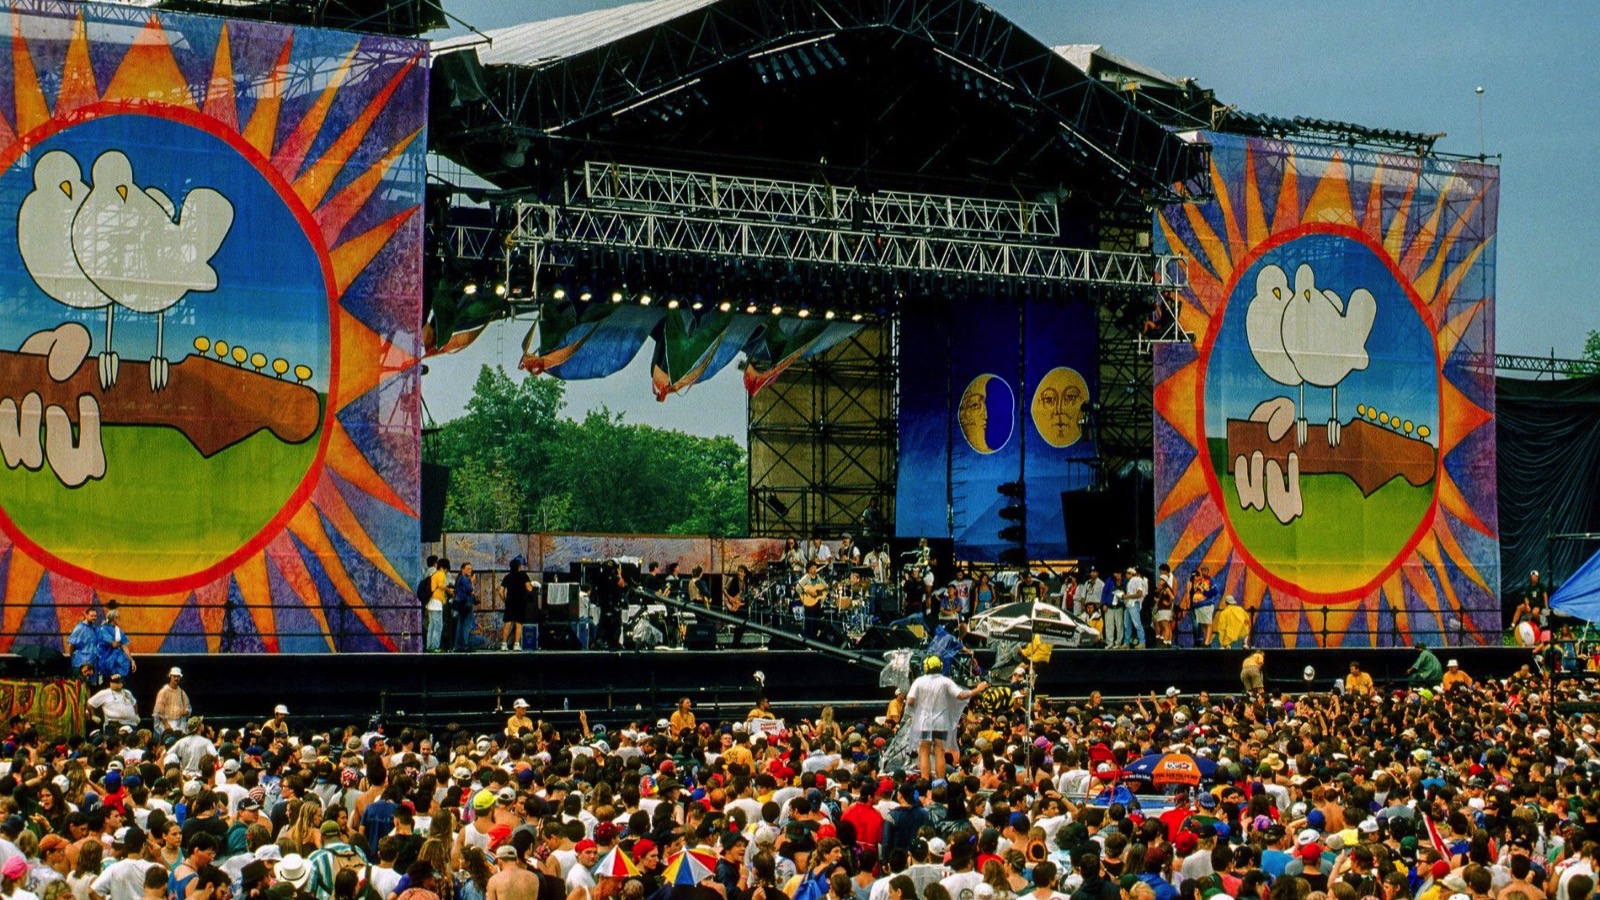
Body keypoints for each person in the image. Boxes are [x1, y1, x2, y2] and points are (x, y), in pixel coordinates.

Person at [904, 656, 987, 781]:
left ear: (925, 667)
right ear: (940, 667)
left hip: (924, 722)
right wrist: (978, 689)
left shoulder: (919, 681)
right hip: (941, 723)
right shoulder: (945, 681)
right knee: (940, 751)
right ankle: (940, 781)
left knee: (924, 750)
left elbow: (910, 701)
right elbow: (961, 695)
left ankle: (925, 780)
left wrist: (919, 708)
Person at [500, 557, 535, 652]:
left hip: (510, 601)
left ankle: (503, 644)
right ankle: (516, 644)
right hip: (520, 602)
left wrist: (505, 600)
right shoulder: (524, 576)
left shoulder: (507, 577)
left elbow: (501, 591)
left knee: (507, 623)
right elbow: (529, 588)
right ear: (519, 567)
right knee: (518, 623)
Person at [65, 608, 106, 684]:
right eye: (92, 616)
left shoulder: (94, 628)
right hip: (82, 665)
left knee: (91, 689)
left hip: (93, 666)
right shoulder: (79, 628)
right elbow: (71, 645)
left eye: (95, 616)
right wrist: (74, 658)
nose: (94, 618)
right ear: (86, 615)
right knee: (81, 689)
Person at [97, 602, 135, 681]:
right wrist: (120, 644)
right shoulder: (103, 629)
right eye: (118, 617)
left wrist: (132, 660)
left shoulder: (118, 631)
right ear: (114, 618)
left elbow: (124, 646)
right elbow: (114, 644)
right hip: (107, 662)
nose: (120, 619)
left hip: (118, 663)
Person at [152, 667, 192, 740]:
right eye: (174, 676)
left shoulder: (182, 692)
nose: (176, 678)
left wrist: (185, 711)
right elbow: (159, 711)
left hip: (180, 724)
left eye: (178, 676)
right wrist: (166, 725)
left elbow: (188, 707)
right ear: (170, 676)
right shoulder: (164, 691)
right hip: (167, 723)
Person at [798, 562, 829, 641]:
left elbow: (826, 587)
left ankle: (815, 639)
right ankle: (808, 640)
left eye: (815, 567)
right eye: (812, 567)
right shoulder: (806, 578)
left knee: (816, 622)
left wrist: (823, 593)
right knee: (809, 623)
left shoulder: (819, 578)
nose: (814, 569)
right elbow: (798, 587)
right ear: (809, 569)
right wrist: (807, 592)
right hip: (808, 603)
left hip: (817, 604)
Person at [426, 557, 450, 652]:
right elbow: (440, 585)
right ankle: (435, 646)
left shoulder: (434, 574)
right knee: (438, 626)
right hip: (436, 603)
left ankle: (429, 646)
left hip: (431, 602)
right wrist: (449, 590)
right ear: (445, 567)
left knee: (431, 625)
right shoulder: (441, 574)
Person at [453, 562, 478, 653]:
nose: (470, 570)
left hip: (462, 604)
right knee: (467, 625)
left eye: (471, 569)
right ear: (462, 569)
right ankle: (464, 644)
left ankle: (458, 645)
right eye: (467, 569)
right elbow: (471, 590)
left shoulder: (460, 579)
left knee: (461, 624)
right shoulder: (464, 579)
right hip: (467, 604)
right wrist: (472, 582)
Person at [1122, 567, 1147, 649]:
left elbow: (1139, 593)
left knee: (1137, 623)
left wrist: (1128, 596)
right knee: (1127, 624)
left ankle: (1142, 642)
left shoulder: (1137, 580)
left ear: (1132, 574)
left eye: (1128, 573)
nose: (1126, 575)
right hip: (1128, 604)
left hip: (1133, 604)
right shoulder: (1129, 582)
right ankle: (1126, 642)